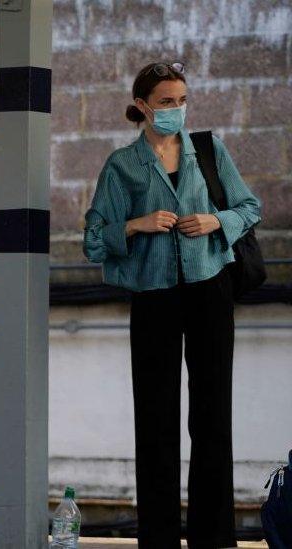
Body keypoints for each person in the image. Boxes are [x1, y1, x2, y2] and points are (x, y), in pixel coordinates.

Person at [83, 62, 260, 548]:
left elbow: (249, 207)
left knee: (212, 413)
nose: (176, 110)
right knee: (156, 418)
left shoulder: (208, 149)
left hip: (210, 287)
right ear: (142, 105)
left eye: (182, 100)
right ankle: (158, 538)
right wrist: (137, 224)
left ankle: (214, 535)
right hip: (154, 296)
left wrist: (214, 220)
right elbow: (94, 239)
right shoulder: (122, 164)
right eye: (165, 102)